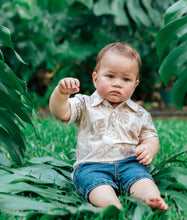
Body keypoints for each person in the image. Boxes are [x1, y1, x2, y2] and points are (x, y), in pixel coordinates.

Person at [49, 42, 168, 211]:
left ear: (134, 85)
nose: (117, 83)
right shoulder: (85, 104)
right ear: (95, 78)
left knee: (142, 179)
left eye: (126, 79)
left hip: (129, 163)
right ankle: (112, 205)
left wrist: (149, 147)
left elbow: (150, 136)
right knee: (97, 186)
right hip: (92, 165)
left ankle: (150, 198)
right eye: (110, 76)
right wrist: (61, 93)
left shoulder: (139, 113)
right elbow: (60, 112)